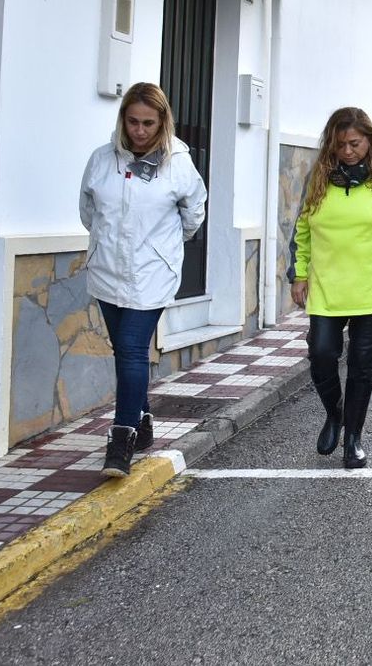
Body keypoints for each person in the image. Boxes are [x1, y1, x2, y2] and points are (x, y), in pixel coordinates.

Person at [78, 82, 207, 478]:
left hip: (150, 274)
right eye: (132, 122)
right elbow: (88, 210)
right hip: (107, 271)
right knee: (123, 349)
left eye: (148, 123)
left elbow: (194, 213)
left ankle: (122, 440)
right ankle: (144, 418)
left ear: (162, 122)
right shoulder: (102, 160)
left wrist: (160, 250)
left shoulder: (179, 164)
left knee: (132, 350)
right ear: (123, 121)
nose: (139, 130)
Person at [288, 108, 372, 469]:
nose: (348, 151)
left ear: (369, 140)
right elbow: (302, 229)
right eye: (341, 145)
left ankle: (353, 438)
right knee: (321, 355)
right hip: (327, 286)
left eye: (355, 143)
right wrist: (298, 274)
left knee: (363, 367)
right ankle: (335, 414)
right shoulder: (319, 176)